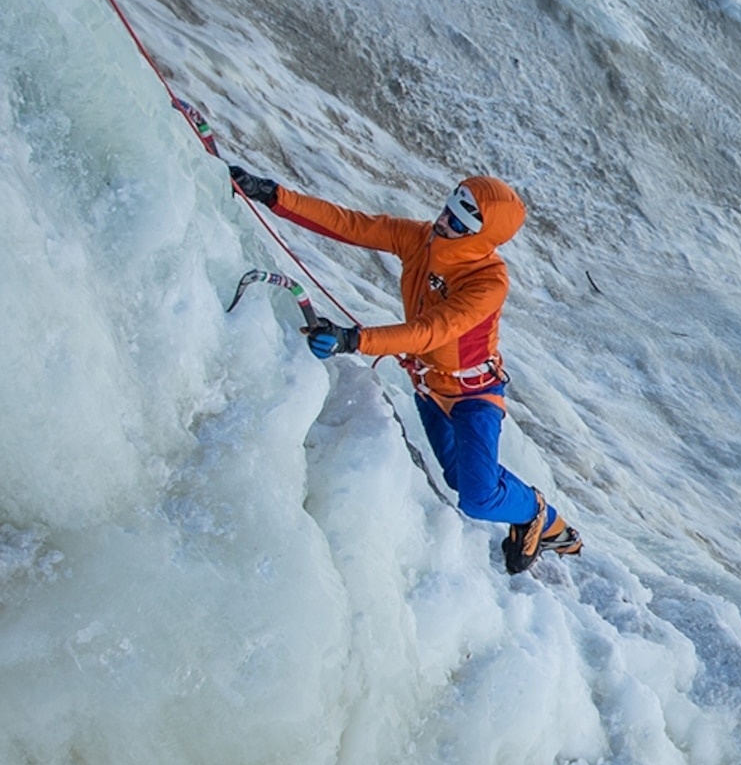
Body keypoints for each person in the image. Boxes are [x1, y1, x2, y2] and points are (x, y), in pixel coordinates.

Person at [228, 164, 582, 574]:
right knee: (457, 478)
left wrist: (353, 340)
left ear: (482, 235)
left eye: (461, 220)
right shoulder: (422, 240)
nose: (445, 220)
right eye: (450, 208)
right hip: (429, 388)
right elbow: (353, 225)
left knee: (478, 496)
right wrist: (272, 194)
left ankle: (539, 514)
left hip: (473, 397)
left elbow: (432, 331)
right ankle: (529, 515)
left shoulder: (488, 282)